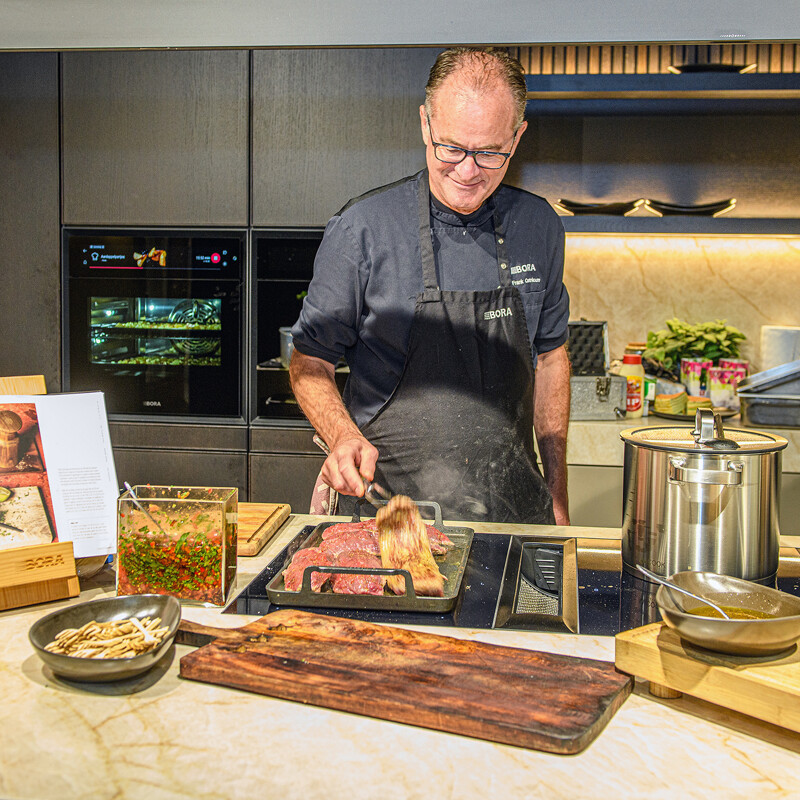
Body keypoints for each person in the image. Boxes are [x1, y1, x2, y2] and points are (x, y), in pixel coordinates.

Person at [289, 47, 571, 525]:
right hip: (390, 521)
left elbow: (551, 358)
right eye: (451, 148)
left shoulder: (539, 226)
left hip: (516, 518)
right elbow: (309, 362)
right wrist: (341, 436)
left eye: (489, 153)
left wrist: (558, 493)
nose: (466, 171)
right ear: (425, 124)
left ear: (517, 137)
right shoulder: (363, 229)